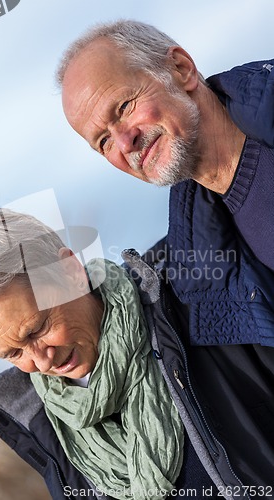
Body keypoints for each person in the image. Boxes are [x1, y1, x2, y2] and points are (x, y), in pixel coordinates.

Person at [0, 208, 274, 499]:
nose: (42, 361)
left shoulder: (201, 305)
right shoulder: (40, 424)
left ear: (70, 271)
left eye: (38, 329)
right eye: (13, 353)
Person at [56, 20, 274, 348]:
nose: (125, 143)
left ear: (180, 69)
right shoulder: (199, 269)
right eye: (103, 141)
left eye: (124, 107)